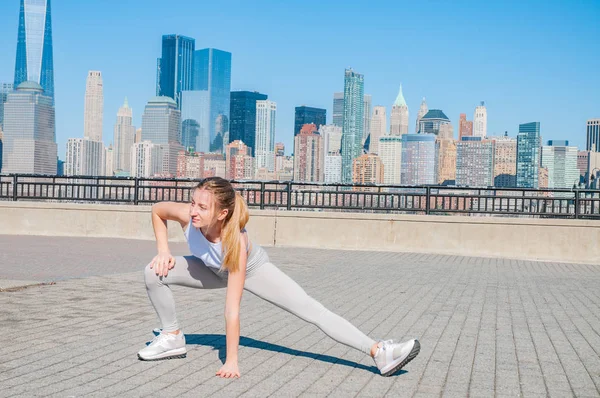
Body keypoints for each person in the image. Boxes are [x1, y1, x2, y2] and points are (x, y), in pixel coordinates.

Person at [138, 177, 420, 378]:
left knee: (312, 310)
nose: (193, 210)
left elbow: (232, 309)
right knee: (154, 271)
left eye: (202, 207)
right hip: (211, 270)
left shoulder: (235, 242)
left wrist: (231, 360)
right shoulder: (188, 216)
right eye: (192, 203)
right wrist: (163, 251)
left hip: (253, 270)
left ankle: (378, 352)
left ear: (222, 213)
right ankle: (172, 336)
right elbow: (157, 211)